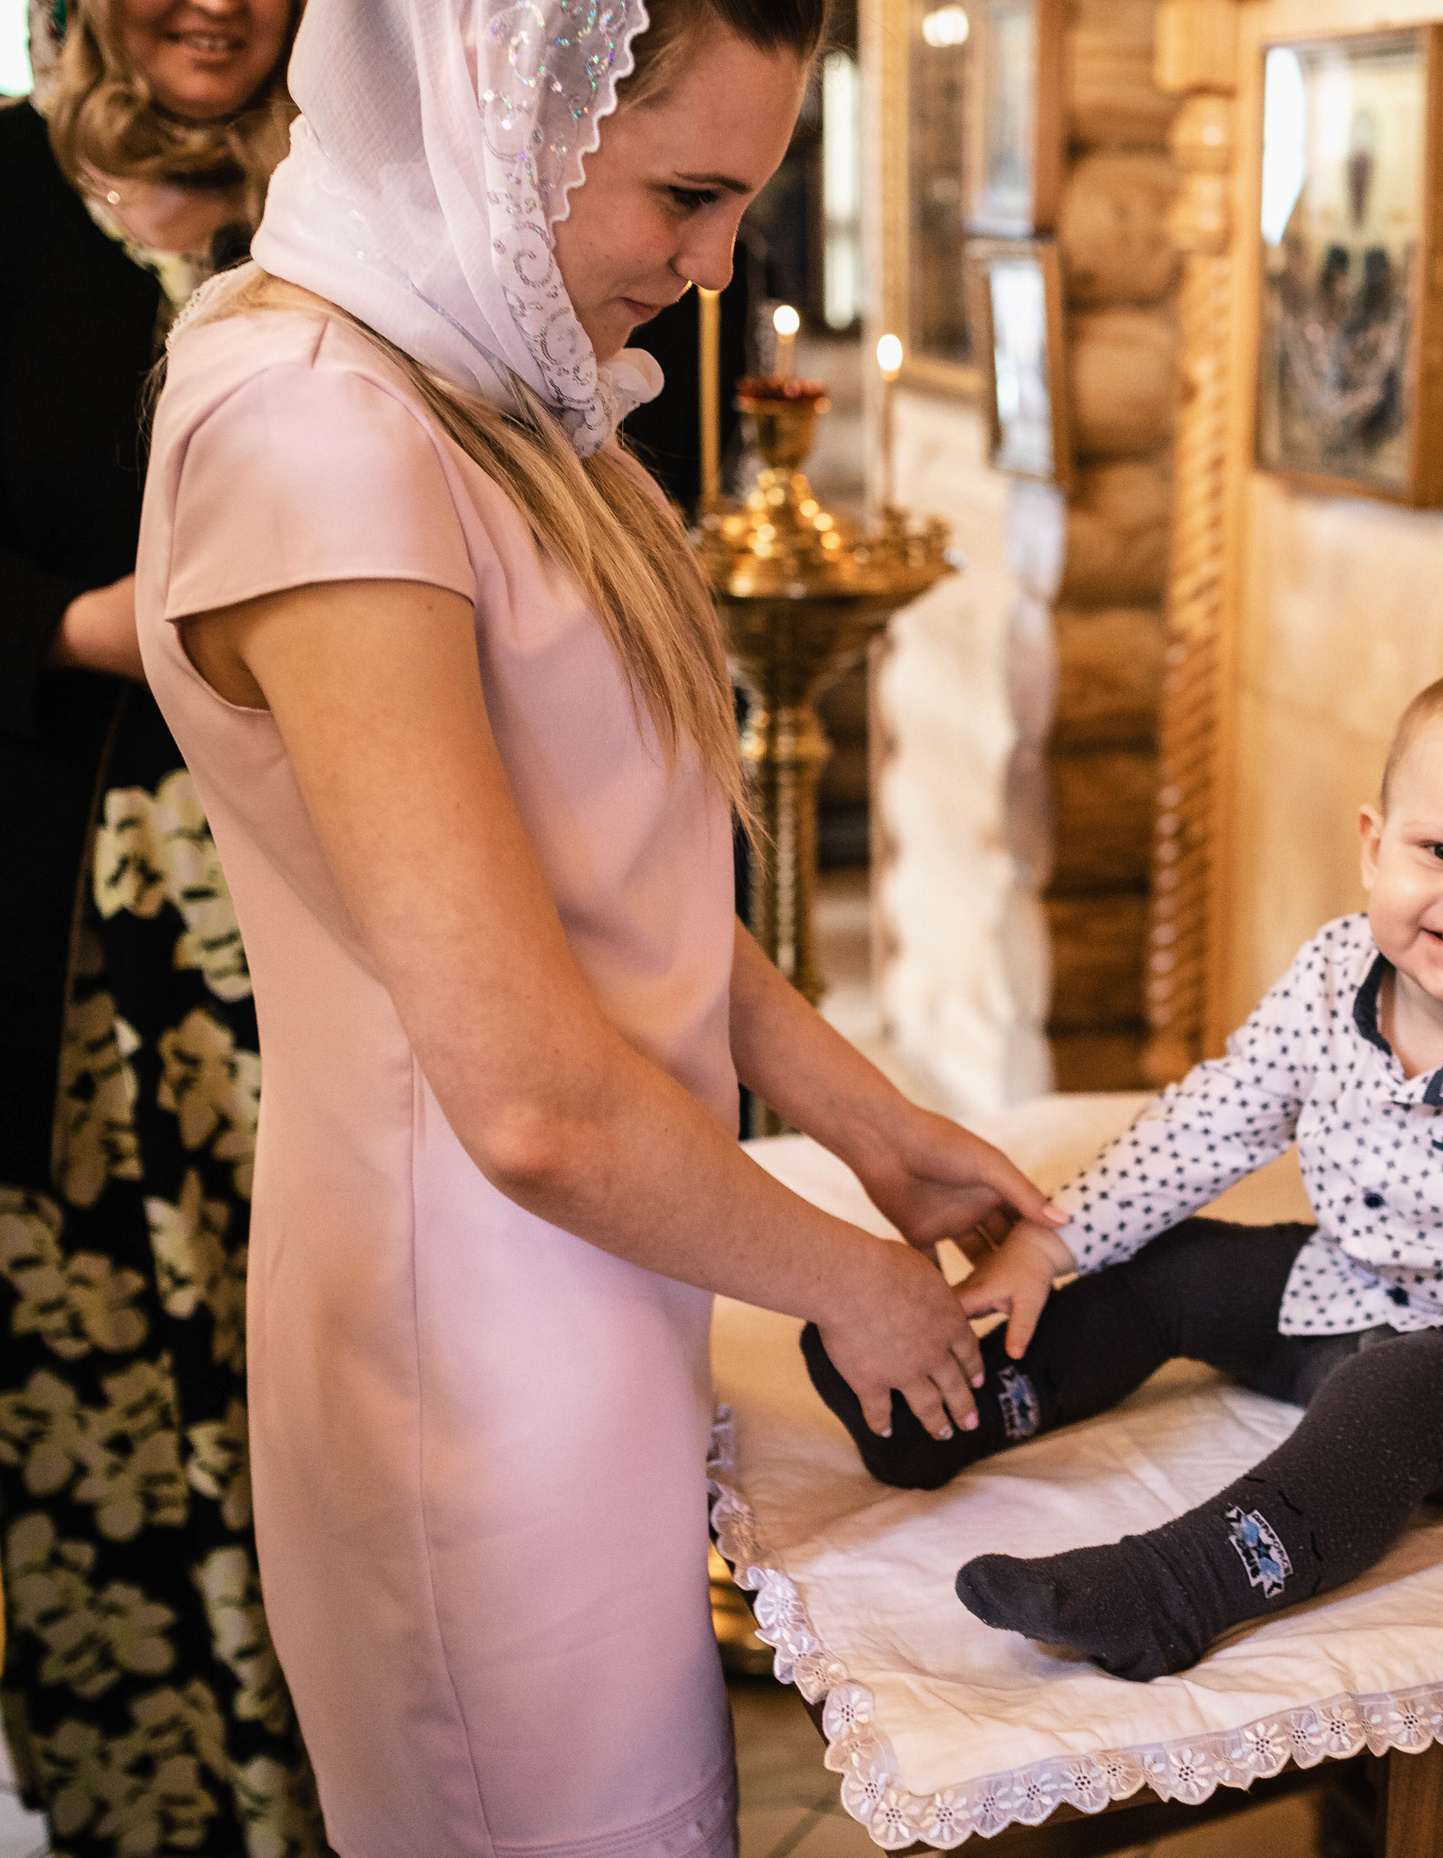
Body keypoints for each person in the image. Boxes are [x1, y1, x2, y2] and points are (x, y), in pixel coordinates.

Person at [132, 1, 1062, 1849]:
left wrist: (873, 1132)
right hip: (469, 1350)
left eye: (746, 209)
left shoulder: (480, 385)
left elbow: (601, 879)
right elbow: (530, 1097)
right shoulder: (318, 431)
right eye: (686, 195)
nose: (713, 269)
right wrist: (853, 1279)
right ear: (506, 110)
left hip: (593, 1279)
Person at [804, 659, 1443, 1682]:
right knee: (1179, 1273)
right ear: (1376, 846)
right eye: (1441, 850)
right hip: (1347, 1285)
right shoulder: (1334, 973)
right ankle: (959, 1412)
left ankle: (1170, 1590)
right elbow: (1209, 1124)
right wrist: (1049, 1241)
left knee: (1393, 1401)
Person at [0, 1, 324, 1848]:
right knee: (101, 1377)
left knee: (327, 1365)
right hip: (56, 923)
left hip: (312, 905)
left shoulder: (350, 217)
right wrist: (89, 628)